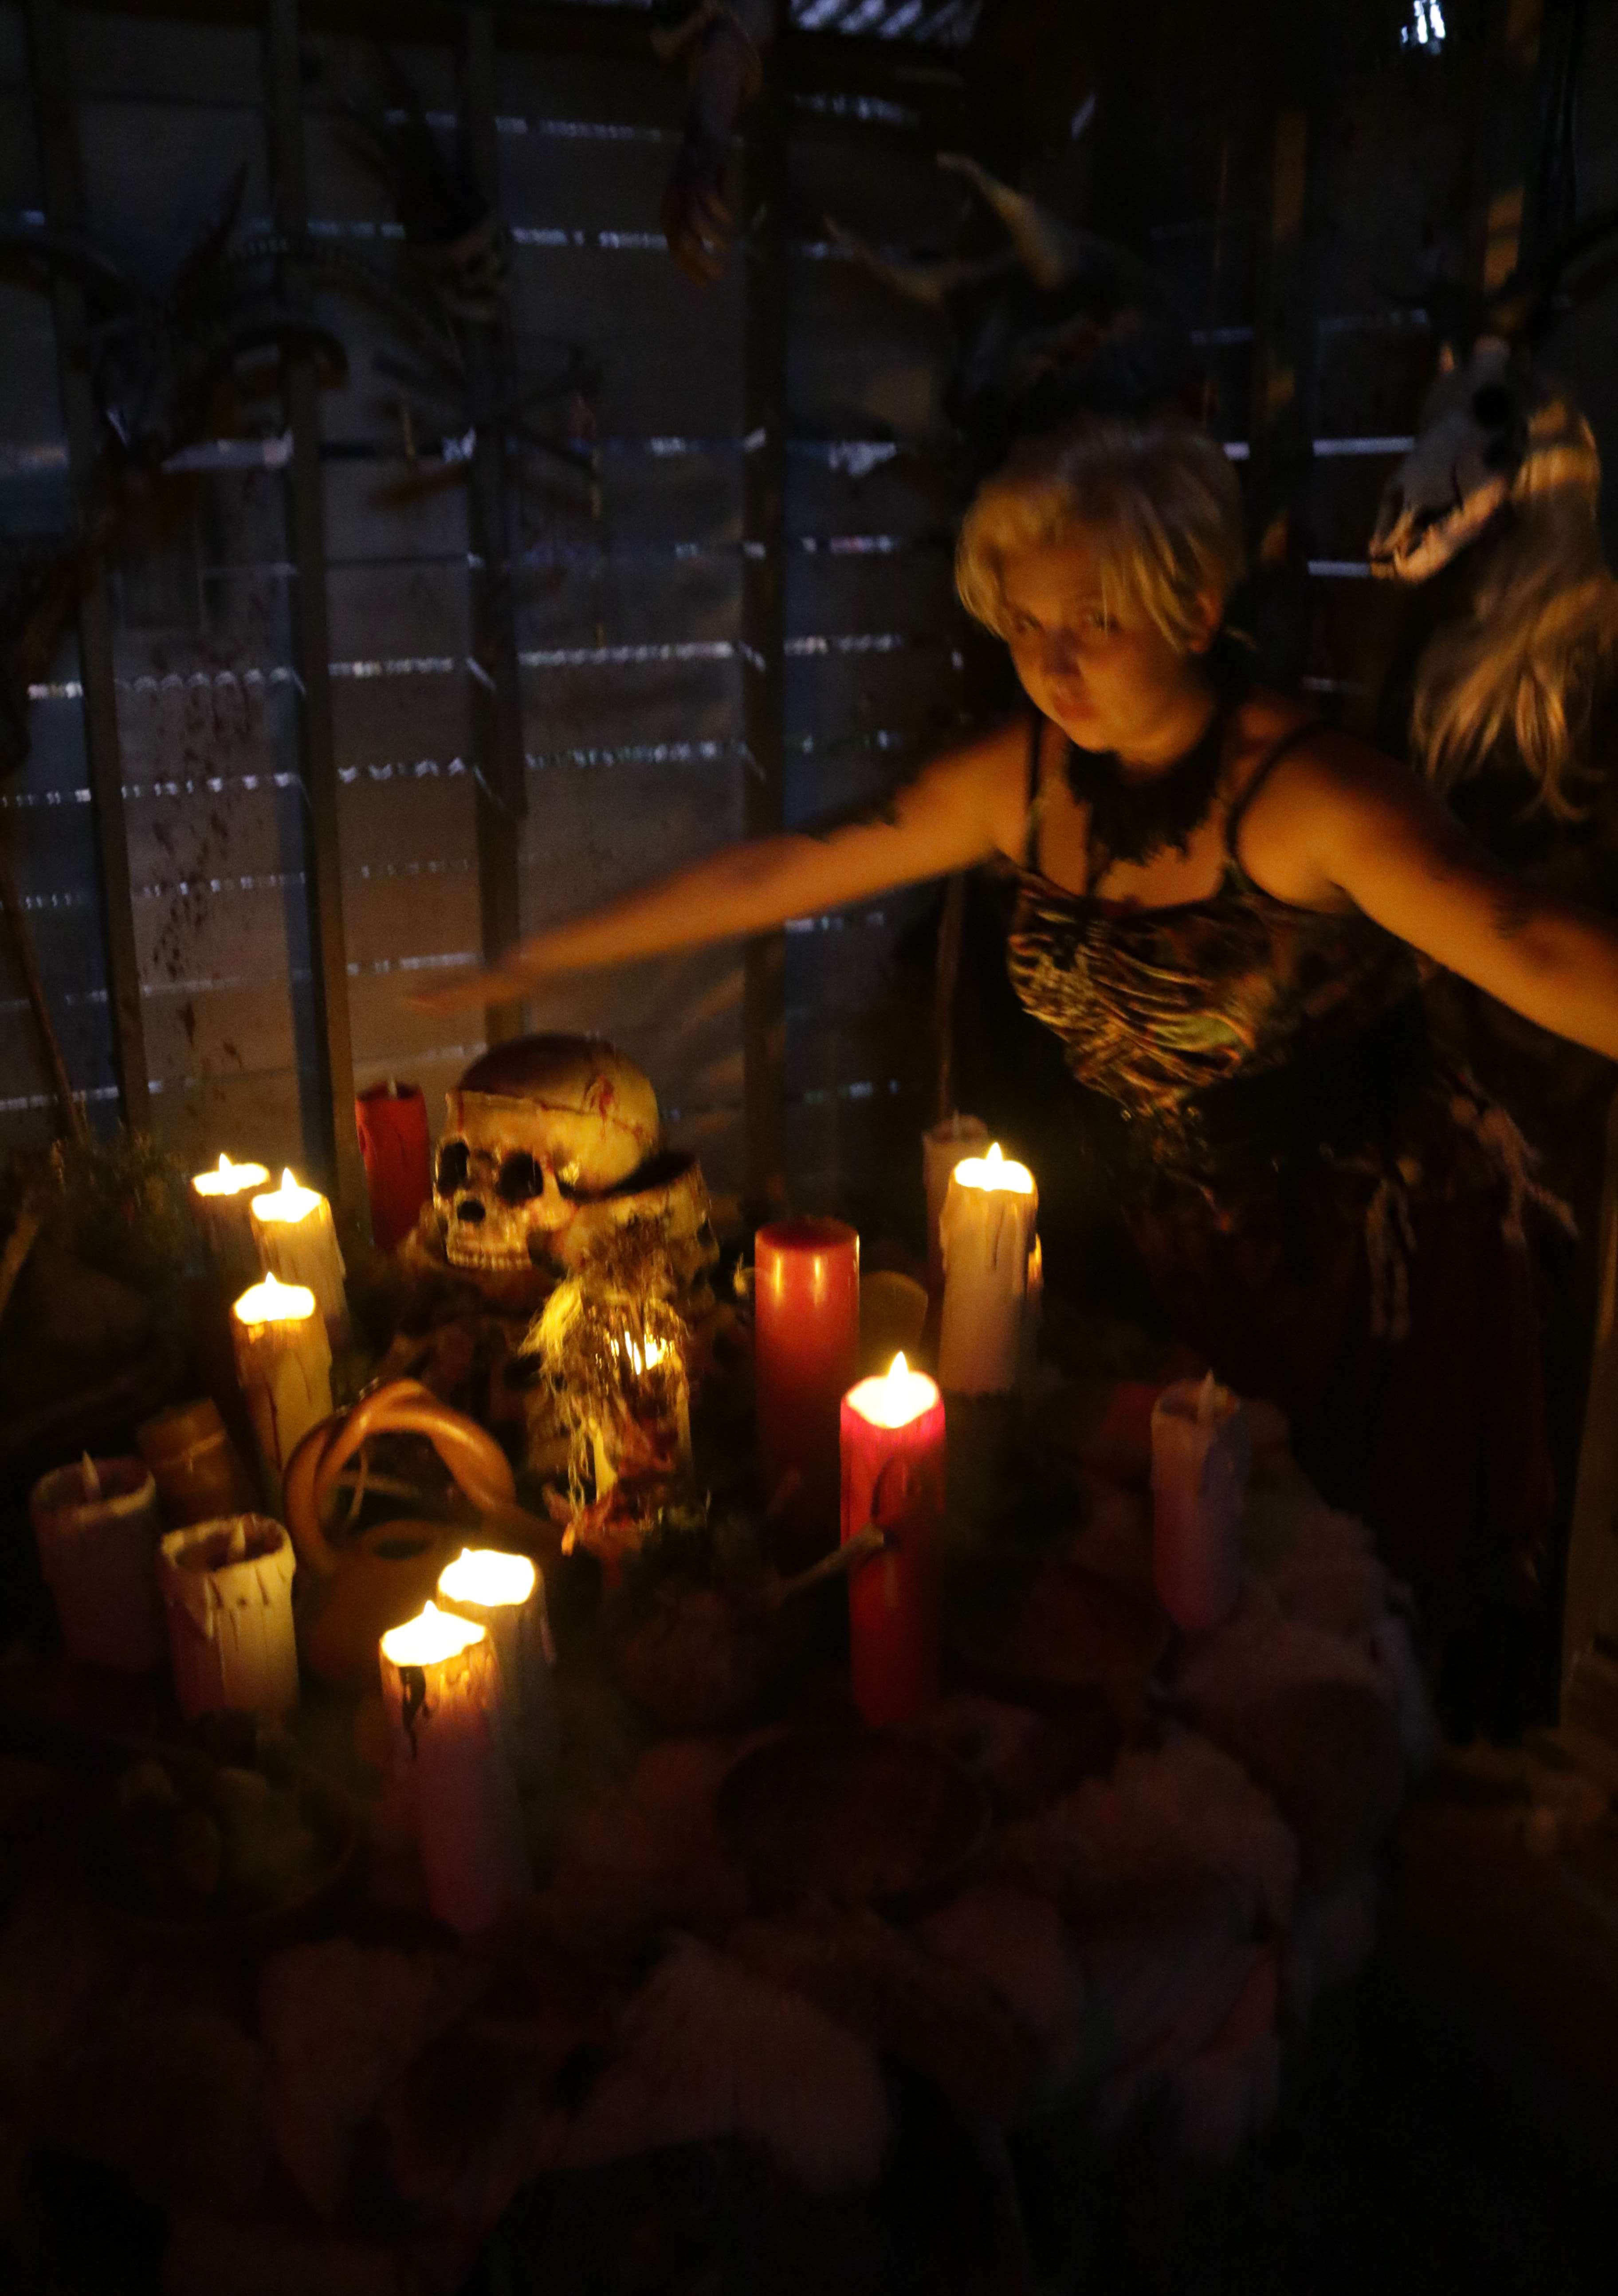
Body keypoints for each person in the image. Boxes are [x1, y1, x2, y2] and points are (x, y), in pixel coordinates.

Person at [420, 419, 1618, 1738]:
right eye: (1028, 624)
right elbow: (786, 869)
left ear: (1195, 607)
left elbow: (1527, 942)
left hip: (1360, 1268)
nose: (1053, 663)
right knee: (1165, 1594)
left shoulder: (1310, 799)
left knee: (1334, 1612)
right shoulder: (1028, 779)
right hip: (1167, 1244)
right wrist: (539, 960)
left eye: (1095, 621)